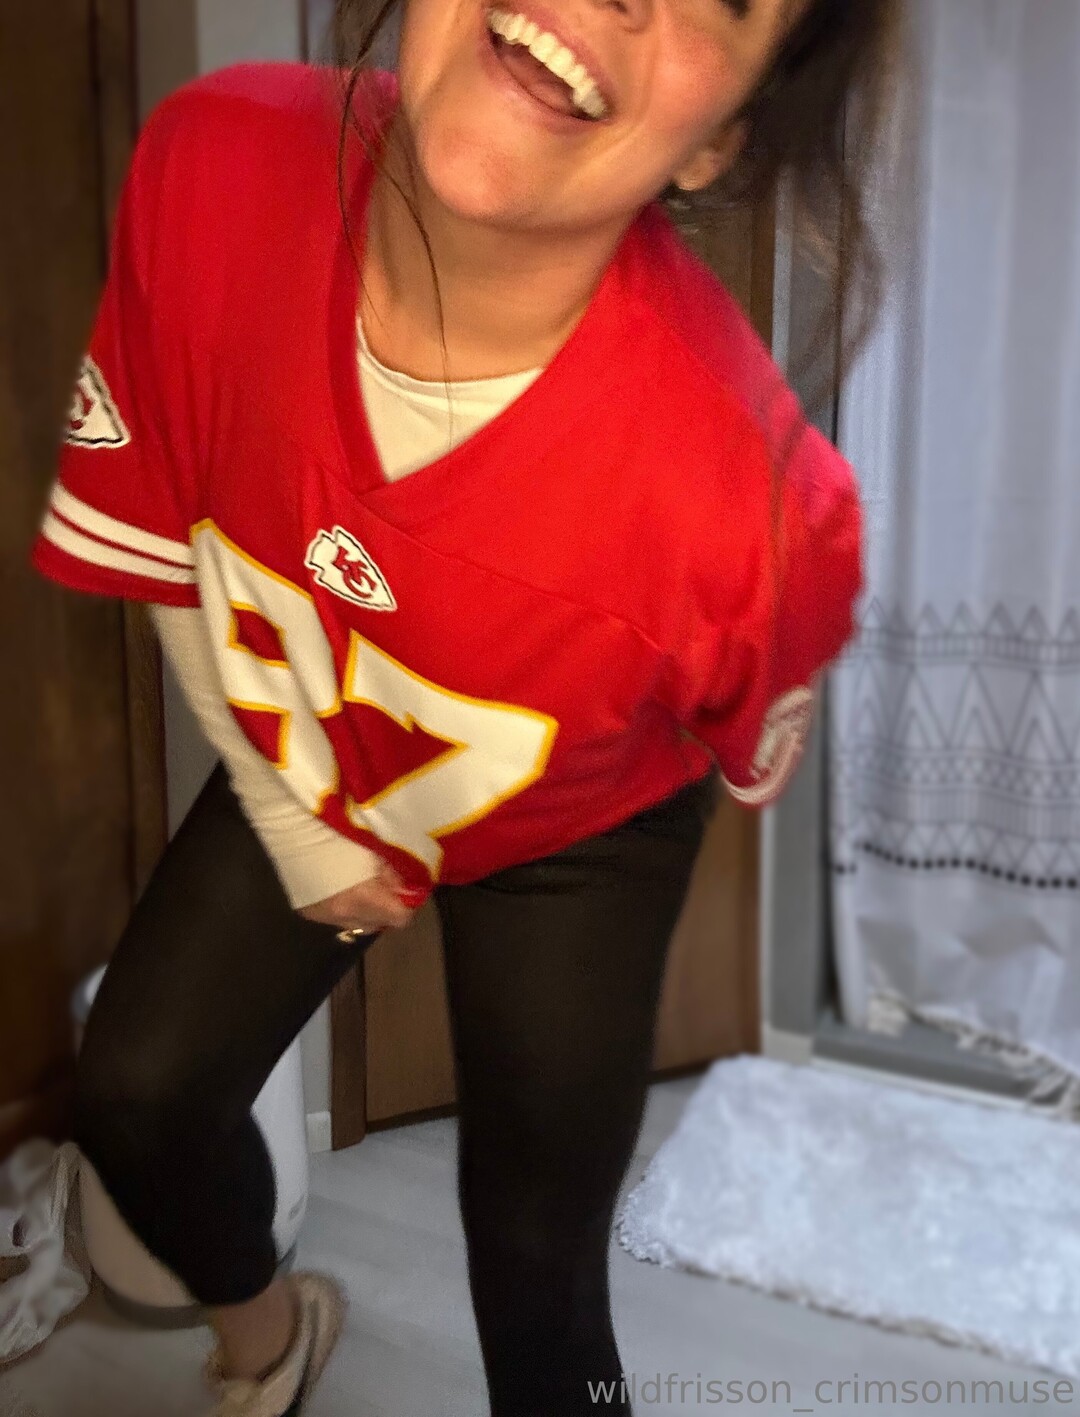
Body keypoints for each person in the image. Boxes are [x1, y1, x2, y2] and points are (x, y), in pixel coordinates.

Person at [31, 0, 897, 1412]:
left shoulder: (759, 508)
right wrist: (297, 825)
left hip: (579, 813)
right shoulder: (215, 166)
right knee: (137, 1088)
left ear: (717, 142)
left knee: (536, 1262)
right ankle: (267, 1336)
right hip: (320, 741)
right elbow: (166, 534)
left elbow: (735, 742)